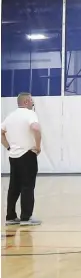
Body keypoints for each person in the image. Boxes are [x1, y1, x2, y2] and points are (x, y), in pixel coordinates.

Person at [1, 92, 42, 225]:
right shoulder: (30, 114)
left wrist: (8, 147)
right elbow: (35, 128)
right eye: (31, 100)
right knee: (27, 186)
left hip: (13, 156)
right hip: (27, 155)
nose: (32, 102)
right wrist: (38, 146)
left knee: (14, 187)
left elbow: (1, 132)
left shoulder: (10, 116)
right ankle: (26, 217)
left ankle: (10, 216)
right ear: (26, 102)